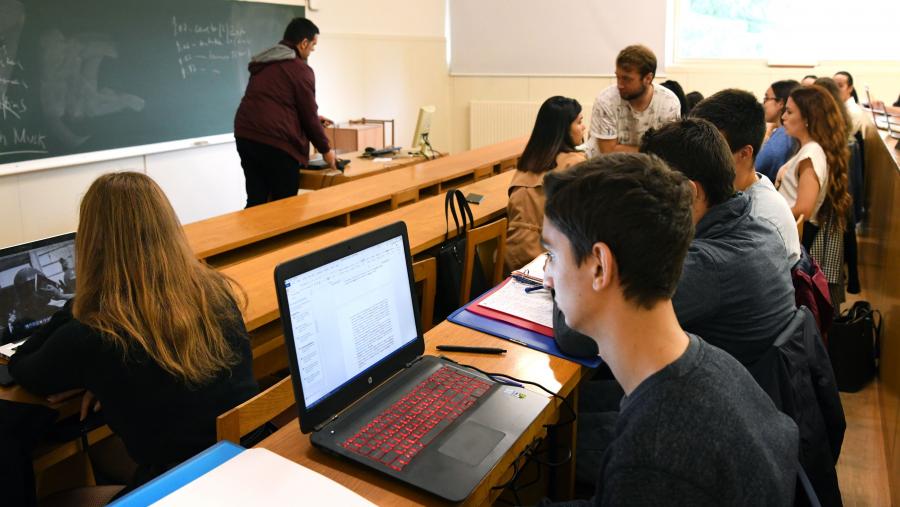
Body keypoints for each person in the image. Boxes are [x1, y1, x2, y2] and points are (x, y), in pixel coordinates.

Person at [538, 154, 798, 506]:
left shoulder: (656, 454)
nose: (547, 277)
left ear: (600, 266)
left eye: (552, 256)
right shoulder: (714, 364)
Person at [9, 172, 259, 494]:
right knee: (102, 451)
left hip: (181, 491)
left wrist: (81, 302)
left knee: (56, 496)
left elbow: (22, 366)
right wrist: (97, 377)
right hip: (243, 462)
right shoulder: (215, 291)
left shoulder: (93, 332)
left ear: (90, 243)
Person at [640, 119, 797, 366]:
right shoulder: (758, 225)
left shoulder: (708, 265)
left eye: (653, 191)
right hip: (746, 389)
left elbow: (579, 337)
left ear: (692, 193)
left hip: (704, 398)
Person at [691, 89, 801, 265]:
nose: (700, 156)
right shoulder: (748, 186)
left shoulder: (757, 219)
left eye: (712, 147)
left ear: (744, 153)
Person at [234, 17, 336, 208]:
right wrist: (326, 150)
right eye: (313, 45)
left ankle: (255, 237)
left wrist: (314, 118)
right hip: (277, 143)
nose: (312, 51)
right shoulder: (300, 70)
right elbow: (307, 114)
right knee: (285, 206)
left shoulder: (265, 63)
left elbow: (275, 104)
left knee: (257, 199)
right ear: (304, 43)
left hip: (246, 135)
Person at [775, 85, 852, 308]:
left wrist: (768, 217)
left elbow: (803, 209)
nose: (783, 117)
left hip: (796, 236)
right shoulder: (810, 149)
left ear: (807, 118)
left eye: (789, 112)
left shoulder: (810, 155)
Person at [505, 96, 586, 270]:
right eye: (579, 122)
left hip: (512, 255)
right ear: (564, 129)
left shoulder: (527, 162)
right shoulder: (575, 163)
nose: (584, 127)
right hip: (547, 260)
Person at [587, 45, 680, 157]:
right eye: (618, 77)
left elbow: (667, 151)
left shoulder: (669, 103)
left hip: (648, 168)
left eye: (626, 79)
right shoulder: (606, 101)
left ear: (648, 79)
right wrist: (651, 151)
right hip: (609, 168)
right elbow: (608, 151)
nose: (620, 84)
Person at [756, 79, 799, 182]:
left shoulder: (783, 135)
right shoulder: (781, 132)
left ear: (780, 103)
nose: (763, 103)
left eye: (766, 98)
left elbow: (755, 166)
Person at [833, 71, 864, 137]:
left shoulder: (853, 111)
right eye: (833, 86)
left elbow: (842, 137)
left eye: (840, 86)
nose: (835, 89)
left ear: (850, 89)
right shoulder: (836, 106)